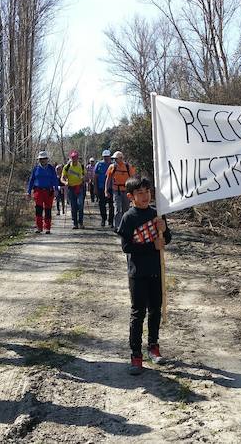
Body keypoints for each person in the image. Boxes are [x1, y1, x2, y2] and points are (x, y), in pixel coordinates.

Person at [117, 176, 172, 375]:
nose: (145, 196)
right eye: (140, 193)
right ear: (131, 196)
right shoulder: (128, 218)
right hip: (137, 273)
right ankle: (136, 355)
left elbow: (167, 239)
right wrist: (151, 245)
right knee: (138, 312)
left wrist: (164, 232)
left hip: (157, 271)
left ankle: (153, 347)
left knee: (155, 310)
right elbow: (126, 247)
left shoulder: (158, 214)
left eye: (147, 192)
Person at [27, 151, 58, 234]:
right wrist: (28, 191)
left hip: (48, 191)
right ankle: (39, 227)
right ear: (39, 160)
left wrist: (56, 190)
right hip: (38, 191)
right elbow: (31, 180)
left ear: (47, 159)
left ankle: (47, 227)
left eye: (44, 159)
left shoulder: (51, 168)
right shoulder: (35, 169)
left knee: (48, 209)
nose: (42, 160)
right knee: (38, 209)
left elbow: (55, 179)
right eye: (41, 159)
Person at [106, 151, 135, 232]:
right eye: (114, 159)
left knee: (126, 209)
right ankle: (117, 227)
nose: (115, 160)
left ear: (121, 158)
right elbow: (108, 179)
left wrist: (134, 191)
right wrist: (106, 190)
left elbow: (133, 179)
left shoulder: (128, 167)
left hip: (126, 191)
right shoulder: (112, 167)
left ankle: (125, 226)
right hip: (116, 191)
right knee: (118, 209)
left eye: (116, 159)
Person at [61, 150, 86, 229]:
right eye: (72, 158)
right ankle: (75, 223)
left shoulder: (81, 166)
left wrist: (84, 178)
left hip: (80, 188)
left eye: (75, 157)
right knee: (73, 206)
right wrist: (65, 182)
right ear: (70, 158)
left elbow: (86, 177)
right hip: (71, 188)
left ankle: (81, 222)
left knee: (80, 204)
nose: (74, 159)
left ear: (77, 158)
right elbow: (62, 178)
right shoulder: (67, 167)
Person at [95, 150, 114, 228]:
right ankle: (103, 219)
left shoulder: (113, 165)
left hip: (112, 188)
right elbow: (95, 177)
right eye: (104, 157)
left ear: (110, 156)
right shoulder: (99, 164)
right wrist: (95, 187)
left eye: (107, 156)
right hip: (101, 187)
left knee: (111, 205)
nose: (106, 158)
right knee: (102, 204)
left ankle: (111, 221)